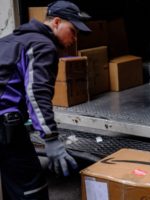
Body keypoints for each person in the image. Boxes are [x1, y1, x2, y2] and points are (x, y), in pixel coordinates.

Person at [0, 0, 91, 199]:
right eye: (73, 31)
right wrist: (50, 138)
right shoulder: (43, 45)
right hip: (4, 126)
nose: (74, 39)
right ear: (56, 22)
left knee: (12, 185)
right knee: (32, 190)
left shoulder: (14, 40)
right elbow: (37, 94)